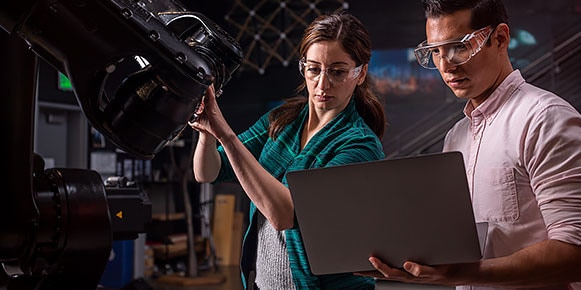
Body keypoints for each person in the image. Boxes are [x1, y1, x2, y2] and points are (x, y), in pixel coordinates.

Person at [356, 0, 581, 289]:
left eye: (458, 47)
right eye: (435, 52)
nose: (445, 66)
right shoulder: (456, 137)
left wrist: (459, 274)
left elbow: (575, 253)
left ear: (499, 38)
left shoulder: (545, 119)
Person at [190, 11, 386, 290]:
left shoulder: (359, 145)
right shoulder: (282, 121)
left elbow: (285, 215)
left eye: (338, 71)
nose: (322, 84)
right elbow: (208, 171)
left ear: (360, 73)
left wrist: (224, 132)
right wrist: (206, 132)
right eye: (314, 69)